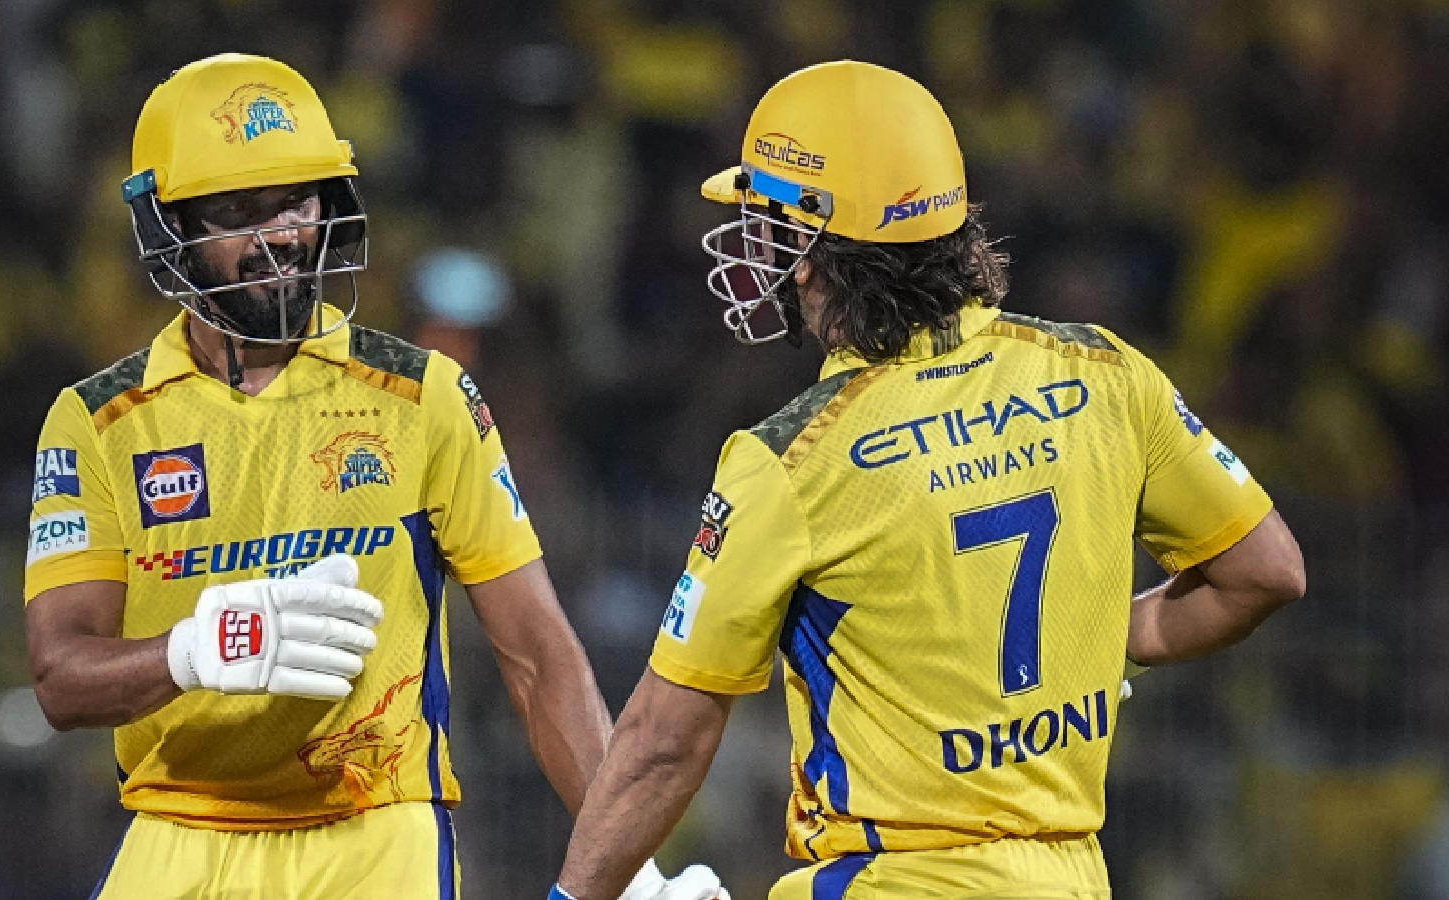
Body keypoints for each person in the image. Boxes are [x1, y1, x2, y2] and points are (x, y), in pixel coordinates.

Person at [547, 61, 1306, 900]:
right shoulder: (1104, 372)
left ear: (808, 253)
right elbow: (1266, 572)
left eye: (764, 222)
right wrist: (1091, 640)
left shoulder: (790, 459)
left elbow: (664, 743)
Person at [24, 53, 727, 900]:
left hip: (374, 831)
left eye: (298, 201)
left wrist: (634, 869)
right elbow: (60, 678)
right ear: (167, 227)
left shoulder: (424, 397)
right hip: (178, 827)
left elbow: (538, 655)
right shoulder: (100, 422)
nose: (283, 236)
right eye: (239, 211)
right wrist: (196, 650)